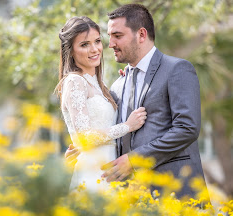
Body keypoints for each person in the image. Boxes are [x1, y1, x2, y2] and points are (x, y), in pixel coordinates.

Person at [66, 4, 207, 199]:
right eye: (109, 36)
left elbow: (187, 128)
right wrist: (85, 150)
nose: (110, 44)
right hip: (129, 197)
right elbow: (106, 131)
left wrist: (135, 160)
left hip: (174, 191)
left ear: (141, 34)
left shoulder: (177, 69)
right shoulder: (116, 85)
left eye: (117, 36)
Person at [55, 16, 147, 192]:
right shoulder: (75, 81)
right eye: (84, 44)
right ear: (70, 51)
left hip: (111, 166)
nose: (94, 49)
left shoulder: (98, 84)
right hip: (93, 170)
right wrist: (127, 126)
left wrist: (125, 82)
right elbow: (85, 137)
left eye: (97, 41)